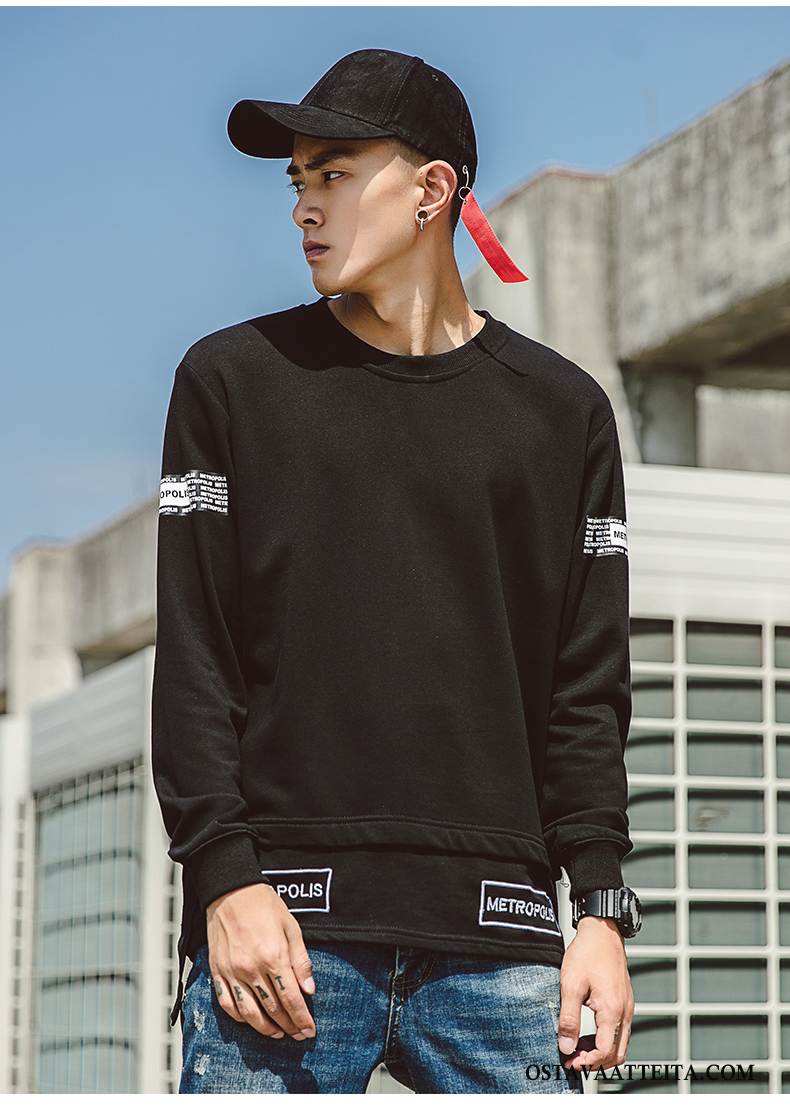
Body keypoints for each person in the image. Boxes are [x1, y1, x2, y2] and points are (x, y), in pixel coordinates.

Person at [151, 47, 640, 1095]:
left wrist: (599, 912)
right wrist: (223, 880)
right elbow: (195, 657)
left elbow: (586, 687)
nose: (303, 206)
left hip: (505, 946)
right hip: (284, 939)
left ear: (432, 189)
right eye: (298, 180)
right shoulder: (231, 383)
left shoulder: (563, 414)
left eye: (333, 174)